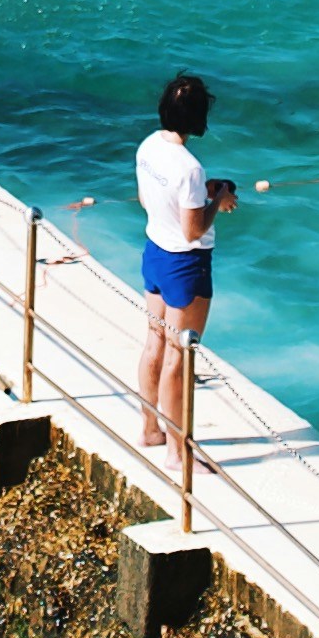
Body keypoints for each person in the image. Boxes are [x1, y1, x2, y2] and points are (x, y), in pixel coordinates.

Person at [133, 72, 235, 460]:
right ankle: (178, 453)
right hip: (186, 265)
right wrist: (219, 199)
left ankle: (150, 430)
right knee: (180, 355)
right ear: (198, 118)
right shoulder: (190, 168)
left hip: (155, 254)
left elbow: (147, 199)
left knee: (154, 343)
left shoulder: (147, 146)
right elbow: (193, 231)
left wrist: (203, 195)